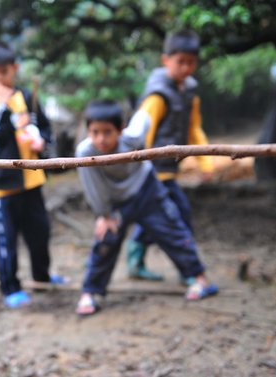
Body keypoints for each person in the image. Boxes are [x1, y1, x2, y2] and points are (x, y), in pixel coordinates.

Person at [75, 100, 218, 316]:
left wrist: (150, 101)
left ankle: (199, 278)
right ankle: (91, 292)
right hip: (115, 203)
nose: (101, 139)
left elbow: (144, 117)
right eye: (95, 132)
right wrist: (104, 215)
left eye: (107, 132)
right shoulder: (85, 152)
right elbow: (94, 188)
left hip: (146, 190)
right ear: (87, 131)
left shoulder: (132, 138)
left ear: (121, 129)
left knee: (172, 230)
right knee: (106, 239)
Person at [0, 41, 65, 309]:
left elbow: (46, 130)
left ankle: (42, 276)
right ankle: (10, 287)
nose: (1, 78)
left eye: (6, 72)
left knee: (40, 233)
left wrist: (43, 142)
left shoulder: (29, 98)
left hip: (32, 181)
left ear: (15, 69)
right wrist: (5, 109)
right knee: (6, 242)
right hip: (2, 187)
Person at [125, 29, 214, 283]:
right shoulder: (157, 95)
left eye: (191, 62)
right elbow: (142, 135)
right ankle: (189, 271)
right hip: (153, 172)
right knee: (177, 217)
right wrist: (141, 167)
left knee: (156, 218)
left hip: (169, 171)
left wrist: (205, 162)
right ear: (166, 60)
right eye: (180, 62)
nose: (186, 68)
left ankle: (136, 260)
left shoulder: (189, 93)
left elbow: (194, 128)